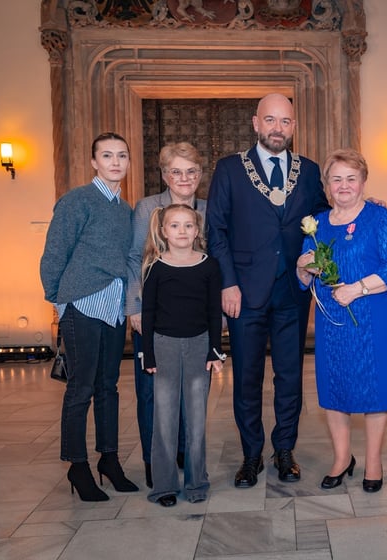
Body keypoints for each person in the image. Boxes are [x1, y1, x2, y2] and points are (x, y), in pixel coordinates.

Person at [205, 93, 330, 487]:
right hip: (244, 293)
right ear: (256, 123)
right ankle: (250, 456)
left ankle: (285, 450)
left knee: (290, 376)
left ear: (293, 127)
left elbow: (326, 217)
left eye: (286, 122)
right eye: (271, 120)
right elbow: (217, 231)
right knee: (247, 378)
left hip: (292, 292)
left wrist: (364, 205)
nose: (278, 128)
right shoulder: (228, 170)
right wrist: (228, 282)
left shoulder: (308, 171)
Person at [295, 149, 387, 493]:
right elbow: (304, 280)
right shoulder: (317, 225)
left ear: (362, 182)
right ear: (326, 185)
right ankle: (342, 458)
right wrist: (303, 267)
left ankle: (374, 461)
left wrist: (356, 289)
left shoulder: (378, 217)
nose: (343, 185)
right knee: (334, 389)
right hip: (334, 324)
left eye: (351, 178)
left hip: (374, 317)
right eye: (336, 179)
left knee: (375, 390)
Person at [40, 132, 139, 502]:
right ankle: (77, 465)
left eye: (122, 156)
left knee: (108, 387)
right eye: (107, 155)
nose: (116, 162)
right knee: (80, 389)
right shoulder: (76, 201)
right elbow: (54, 254)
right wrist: (58, 300)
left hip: (112, 307)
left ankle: (109, 461)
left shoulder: (125, 209)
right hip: (81, 304)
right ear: (94, 162)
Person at [126, 142, 207, 489]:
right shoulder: (147, 208)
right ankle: (152, 459)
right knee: (152, 391)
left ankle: (182, 452)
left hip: (192, 320)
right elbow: (133, 258)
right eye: (176, 171)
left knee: (192, 391)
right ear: (163, 174)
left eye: (191, 171)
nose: (183, 178)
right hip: (153, 315)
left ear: (201, 175)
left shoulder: (208, 209)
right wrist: (134, 307)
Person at [141, 203, 224, 507]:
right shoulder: (155, 267)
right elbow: (148, 314)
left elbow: (214, 312)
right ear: (163, 231)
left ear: (197, 230)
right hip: (163, 346)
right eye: (174, 226)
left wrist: (215, 349)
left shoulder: (209, 266)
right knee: (164, 420)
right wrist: (147, 354)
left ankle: (196, 482)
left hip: (199, 346)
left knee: (196, 419)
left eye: (188, 225)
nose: (182, 231)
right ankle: (163, 486)